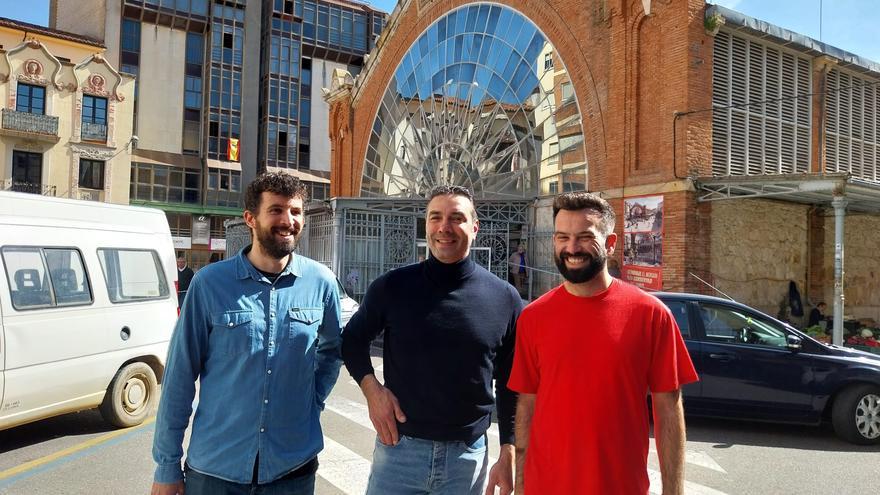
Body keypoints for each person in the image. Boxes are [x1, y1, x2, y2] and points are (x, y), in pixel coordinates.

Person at [151, 172, 343, 495]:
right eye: (277, 210)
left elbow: (332, 350)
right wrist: (167, 466)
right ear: (250, 219)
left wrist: (313, 401)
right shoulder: (209, 284)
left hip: (292, 471)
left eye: (296, 212)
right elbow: (179, 377)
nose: (288, 220)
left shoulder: (321, 283)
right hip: (216, 473)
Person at [509, 192, 698, 495]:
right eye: (562, 237)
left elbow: (668, 411)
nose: (571, 248)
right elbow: (527, 406)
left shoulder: (651, 315)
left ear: (610, 244)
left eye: (585, 237)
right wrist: (521, 486)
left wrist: (673, 492)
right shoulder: (532, 318)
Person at [341, 185, 523, 495]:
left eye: (456, 218)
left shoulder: (504, 298)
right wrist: (373, 391)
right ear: (426, 224)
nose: (444, 227)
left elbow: (511, 382)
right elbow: (352, 340)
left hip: (467, 460)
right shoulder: (393, 287)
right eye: (435, 217)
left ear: (475, 227)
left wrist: (509, 449)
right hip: (399, 451)